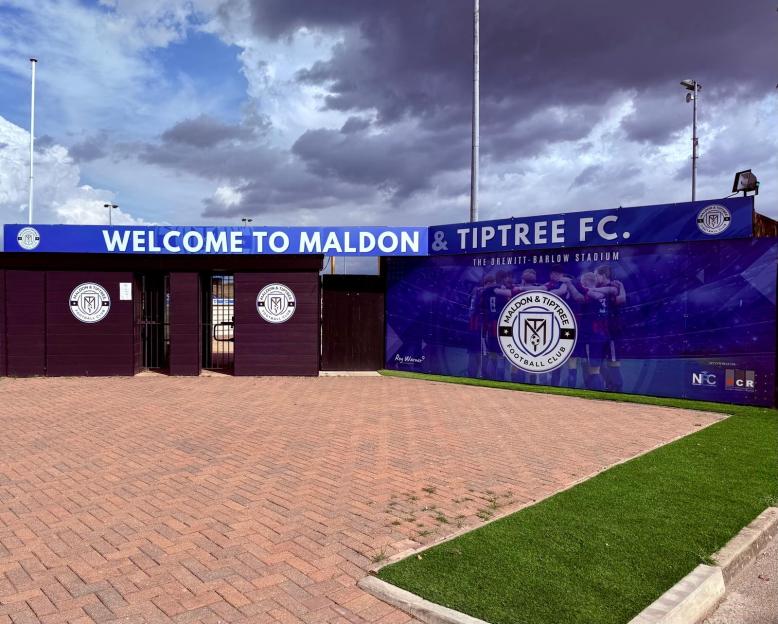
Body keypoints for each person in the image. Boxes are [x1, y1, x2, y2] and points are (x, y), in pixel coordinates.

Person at [480, 271, 512, 379]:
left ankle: (490, 379)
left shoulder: (485, 291)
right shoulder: (502, 290)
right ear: (504, 278)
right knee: (500, 356)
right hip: (501, 325)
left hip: (490, 325)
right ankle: (499, 380)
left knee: (492, 356)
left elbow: (482, 309)